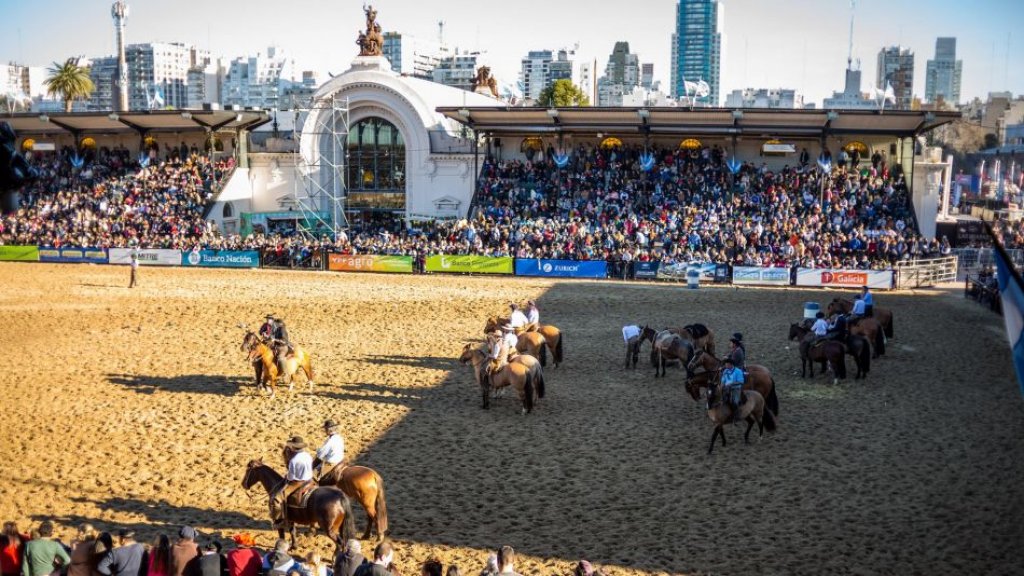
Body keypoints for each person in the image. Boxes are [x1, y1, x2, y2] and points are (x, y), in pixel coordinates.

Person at [270, 437, 314, 528]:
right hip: (310, 480)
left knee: (277, 499)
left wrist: (287, 477)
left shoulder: (294, 460)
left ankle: (279, 521)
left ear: (293, 447)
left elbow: (291, 477)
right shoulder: (308, 455)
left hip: (298, 482)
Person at [314, 420, 346, 484]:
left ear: (328, 430)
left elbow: (321, 454)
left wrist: (318, 452)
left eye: (325, 429)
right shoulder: (339, 437)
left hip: (332, 462)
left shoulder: (330, 441)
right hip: (340, 460)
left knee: (313, 476)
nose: (325, 431)